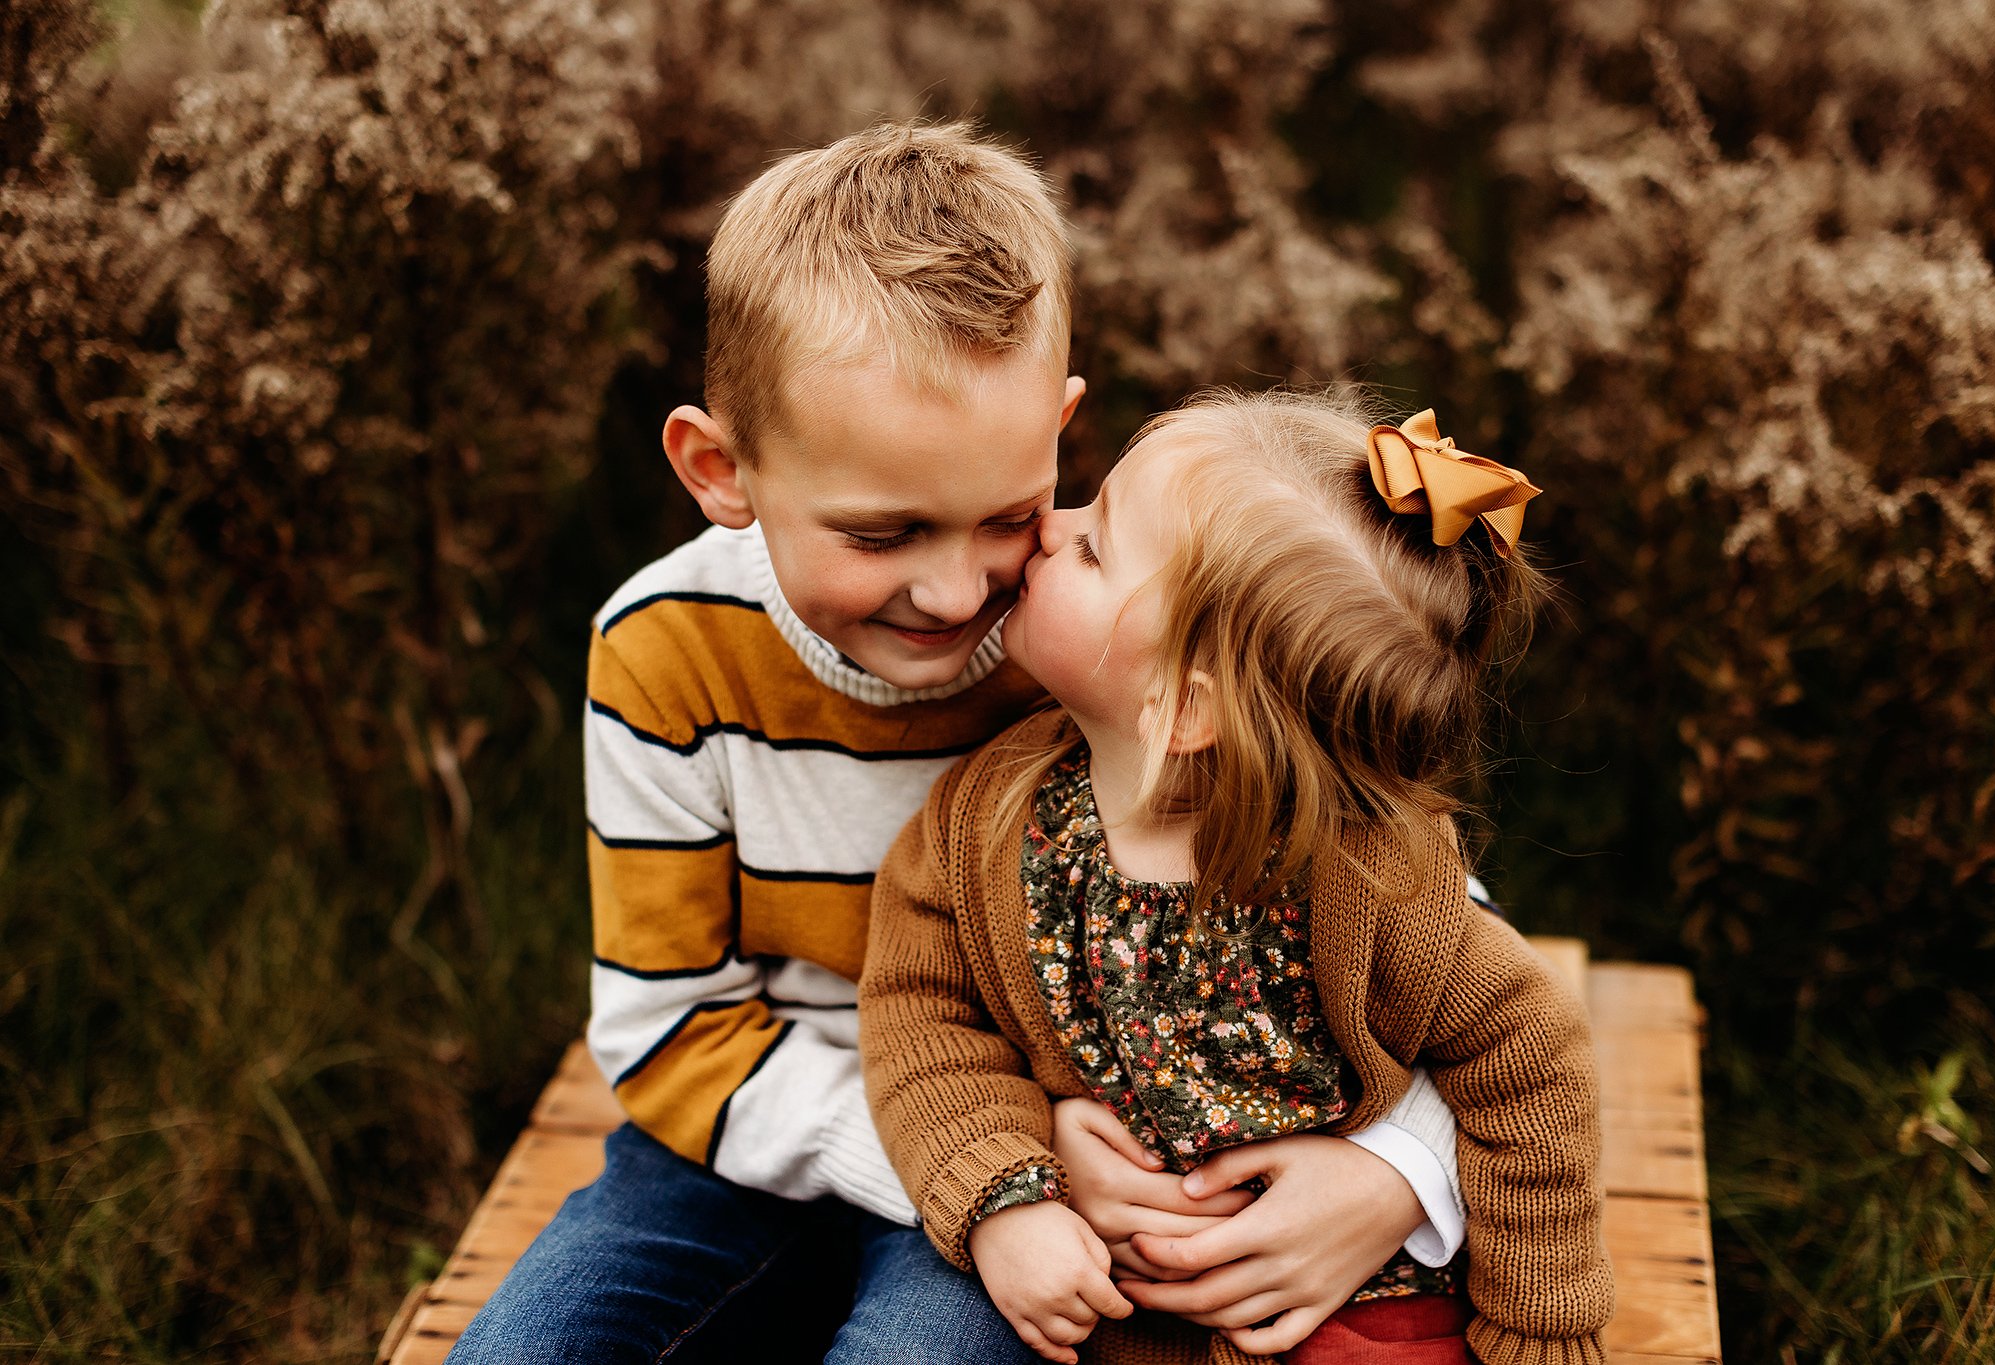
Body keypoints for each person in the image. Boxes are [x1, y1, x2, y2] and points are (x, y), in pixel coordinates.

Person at [451, 124, 1466, 1363]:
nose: (953, 594)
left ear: (1057, 429)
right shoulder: (663, 652)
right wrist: (996, 1176)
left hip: (1054, 1168)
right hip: (769, 1150)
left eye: (1007, 513)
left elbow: (1433, 933)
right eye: (881, 536)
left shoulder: (1097, 649)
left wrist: (1400, 1172)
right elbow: (668, 1030)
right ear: (722, 470)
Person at [860, 390, 1614, 1365]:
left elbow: (1531, 1067)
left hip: (1351, 1309)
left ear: (1180, 707)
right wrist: (1004, 1188)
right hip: (1124, 1324)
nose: (1050, 525)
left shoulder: (1363, 877)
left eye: (1093, 548)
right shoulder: (991, 820)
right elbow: (919, 1015)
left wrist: (1539, 1336)